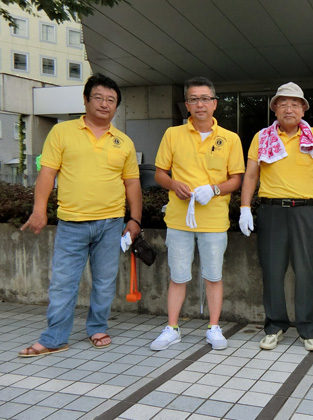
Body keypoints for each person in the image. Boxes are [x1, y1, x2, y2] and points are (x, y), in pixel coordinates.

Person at [19, 74, 142, 357]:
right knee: (63, 282)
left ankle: (97, 327)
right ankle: (54, 338)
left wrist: (134, 220)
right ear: (86, 100)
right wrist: (39, 211)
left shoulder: (123, 141)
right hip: (71, 223)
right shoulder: (62, 133)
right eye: (98, 97)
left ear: (117, 107)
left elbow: (132, 183)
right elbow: (47, 173)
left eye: (111, 100)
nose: (104, 104)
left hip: (111, 224)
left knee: (104, 280)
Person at [150, 77, 244, 351]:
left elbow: (236, 179)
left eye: (205, 98)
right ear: (187, 105)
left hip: (214, 219)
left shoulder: (230, 138)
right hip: (179, 218)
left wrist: (215, 189)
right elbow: (159, 173)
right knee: (178, 275)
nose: (199, 104)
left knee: (213, 275)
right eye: (193, 99)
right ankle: (172, 327)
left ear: (214, 104)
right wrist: (173, 184)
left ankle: (214, 327)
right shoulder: (173, 134)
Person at [239, 82, 313, 352]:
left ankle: (307, 329)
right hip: (271, 211)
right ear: (275, 108)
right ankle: (274, 326)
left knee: (306, 271)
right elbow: (251, 174)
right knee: (272, 270)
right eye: (283, 103)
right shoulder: (262, 137)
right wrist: (245, 207)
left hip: (305, 211)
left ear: (303, 108)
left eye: (295, 103)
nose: (289, 108)